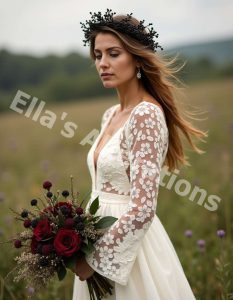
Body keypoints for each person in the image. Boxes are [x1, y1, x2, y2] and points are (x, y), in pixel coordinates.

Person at [72, 9, 207, 300]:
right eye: (98, 55)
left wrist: (96, 262)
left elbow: (143, 207)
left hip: (129, 252)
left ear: (137, 58)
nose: (103, 64)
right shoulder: (110, 114)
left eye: (113, 53)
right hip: (96, 238)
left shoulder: (145, 115)